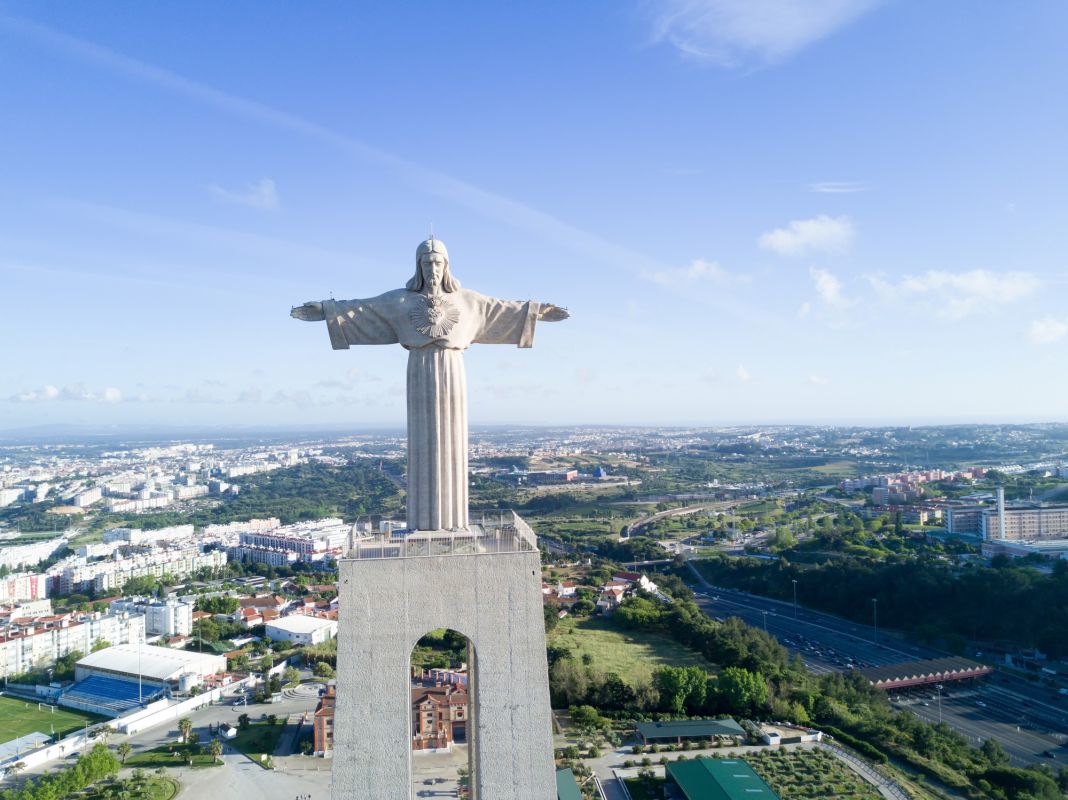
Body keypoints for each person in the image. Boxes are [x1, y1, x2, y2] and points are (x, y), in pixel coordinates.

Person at [292, 238, 568, 531]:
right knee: (424, 444)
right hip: (419, 373)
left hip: (453, 372)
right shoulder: (400, 301)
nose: (433, 268)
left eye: (438, 262)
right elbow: (363, 310)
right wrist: (326, 311)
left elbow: (501, 310)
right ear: (418, 266)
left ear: (446, 265)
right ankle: (424, 528)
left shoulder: (468, 301)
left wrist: (536, 312)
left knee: (453, 442)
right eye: (427, 263)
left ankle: (454, 528)